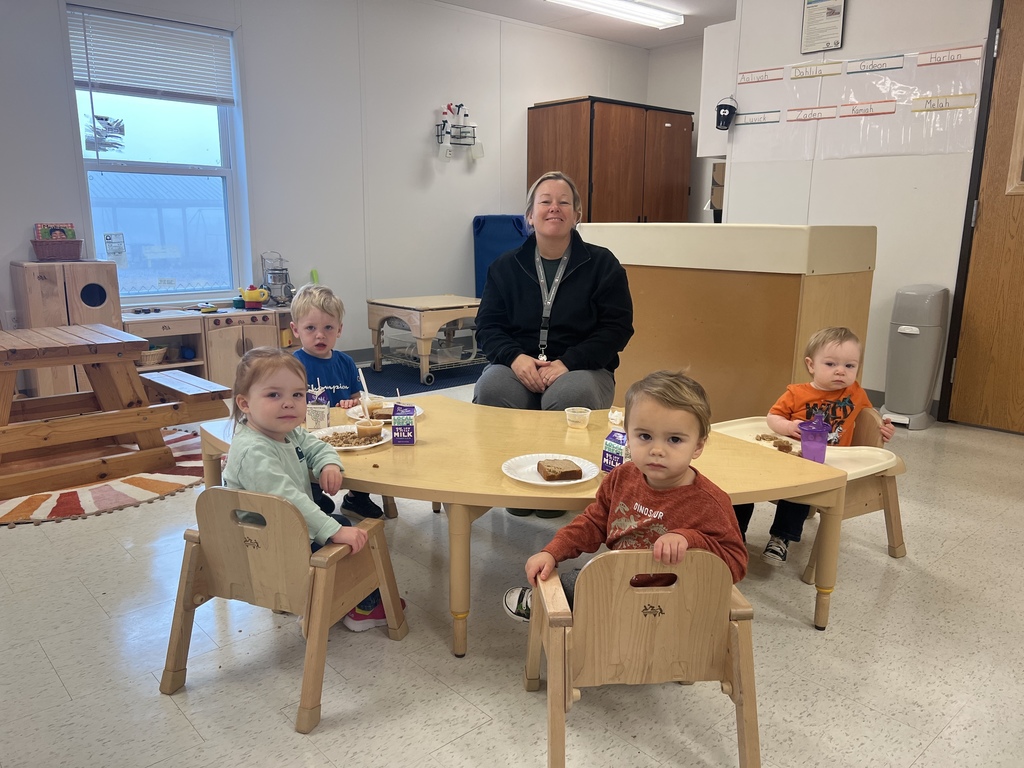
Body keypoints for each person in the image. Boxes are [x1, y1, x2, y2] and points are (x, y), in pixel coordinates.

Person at [502, 371, 748, 622]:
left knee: (576, 584)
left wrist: (691, 539)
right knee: (582, 579)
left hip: (678, 602)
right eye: (644, 436)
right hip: (618, 583)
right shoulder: (621, 477)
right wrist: (552, 552)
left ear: (697, 446)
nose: (657, 450)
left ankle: (547, 607)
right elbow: (592, 523)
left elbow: (736, 565)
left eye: (674, 439)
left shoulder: (710, 501)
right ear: (627, 437)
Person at [474, 170, 634, 518]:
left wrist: (568, 362)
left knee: (569, 397)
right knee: (491, 386)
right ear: (529, 215)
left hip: (583, 368)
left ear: (577, 214)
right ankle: (512, 479)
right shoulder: (504, 267)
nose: (554, 208)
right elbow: (487, 326)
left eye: (564, 202)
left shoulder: (603, 265)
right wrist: (515, 358)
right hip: (517, 366)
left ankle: (560, 486)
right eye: (545, 201)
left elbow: (617, 328)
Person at [222, 347, 402, 631]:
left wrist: (329, 465)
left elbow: (318, 446)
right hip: (268, 545)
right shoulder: (254, 451)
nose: (289, 404)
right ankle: (361, 608)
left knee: (340, 524)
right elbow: (287, 501)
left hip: (284, 530)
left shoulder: (285, 430)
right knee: (356, 535)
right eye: (273, 395)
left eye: (297, 394)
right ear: (244, 403)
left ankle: (325, 595)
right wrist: (332, 530)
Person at [735, 326, 896, 566]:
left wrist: (884, 428)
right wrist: (789, 427)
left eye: (850, 366)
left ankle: (781, 537)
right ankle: (735, 535)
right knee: (744, 480)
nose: (841, 371)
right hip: (792, 455)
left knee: (802, 487)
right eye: (830, 364)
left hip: (828, 463)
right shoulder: (796, 393)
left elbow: (870, 419)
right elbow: (772, 417)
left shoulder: (856, 393)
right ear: (811, 365)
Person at [290, 283, 385, 520]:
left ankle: (357, 498)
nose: (320, 335)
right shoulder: (291, 365)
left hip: (343, 432)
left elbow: (356, 400)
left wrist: (351, 404)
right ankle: (312, 497)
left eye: (328, 327)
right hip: (308, 435)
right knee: (299, 461)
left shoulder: (346, 362)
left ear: (339, 330)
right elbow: (288, 404)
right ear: (295, 330)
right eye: (310, 328)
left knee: (370, 450)